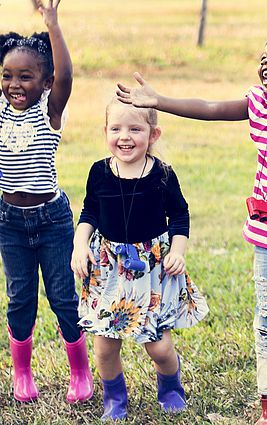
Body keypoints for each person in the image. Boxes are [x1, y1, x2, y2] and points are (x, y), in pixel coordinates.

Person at [116, 27, 267, 425]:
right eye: (262, 54)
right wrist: (160, 101)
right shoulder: (258, 103)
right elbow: (209, 107)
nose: (265, 60)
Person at [71, 99, 209, 420]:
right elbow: (89, 211)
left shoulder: (162, 174)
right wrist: (80, 245)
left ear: (154, 133)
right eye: (116, 128)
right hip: (110, 269)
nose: (125, 136)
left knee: (159, 347)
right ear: (105, 131)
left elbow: (179, 215)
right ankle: (114, 397)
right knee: (105, 347)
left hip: (152, 269)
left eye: (135, 128)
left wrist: (178, 250)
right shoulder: (100, 172)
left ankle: (171, 387)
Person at [0, 0, 94, 404]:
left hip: (53, 220)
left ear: (45, 82)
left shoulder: (49, 111)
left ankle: (81, 372)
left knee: (62, 296)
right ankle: (22, 374)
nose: (15, 84)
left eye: (26, 76)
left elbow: (67, 74)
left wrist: (52, 23)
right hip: (10, 222)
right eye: (7, 76)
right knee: (20, 297)